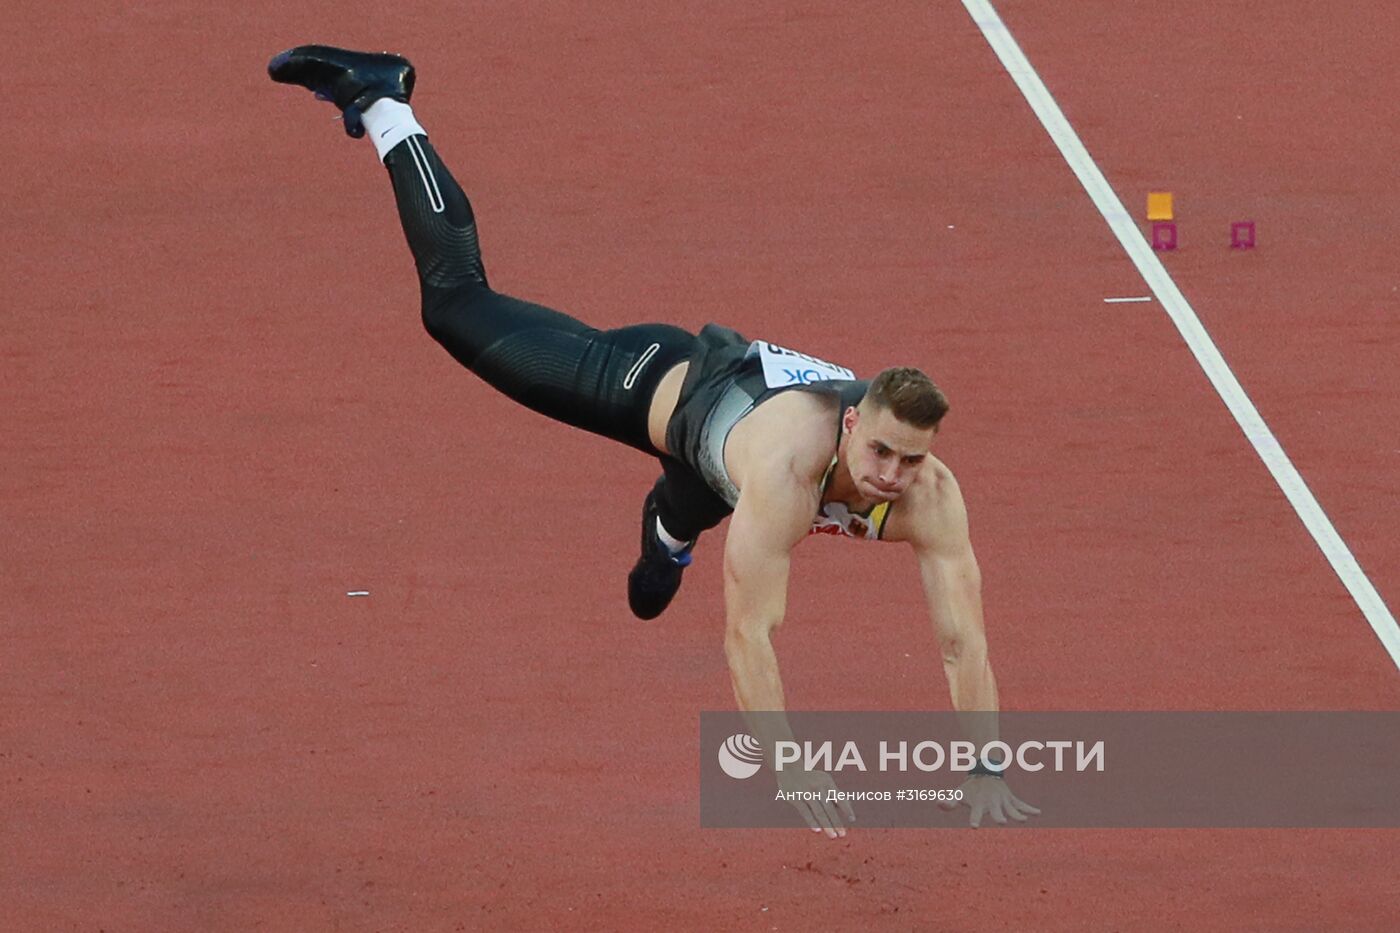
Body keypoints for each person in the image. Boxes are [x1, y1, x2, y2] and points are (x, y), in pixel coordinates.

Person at [268, 45, 1039, 834]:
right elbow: (749, 633)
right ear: (852, 423)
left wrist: (985, 763)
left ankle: (669, 535)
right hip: (657, 380)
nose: (892, 475)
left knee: (684, 517)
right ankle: (387, 101)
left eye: (912, 460)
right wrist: (787, 763)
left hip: (715, 470)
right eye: (881, 452)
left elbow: (960, 639)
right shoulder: (786, 474)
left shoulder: (930, 495)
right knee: (455, 305)